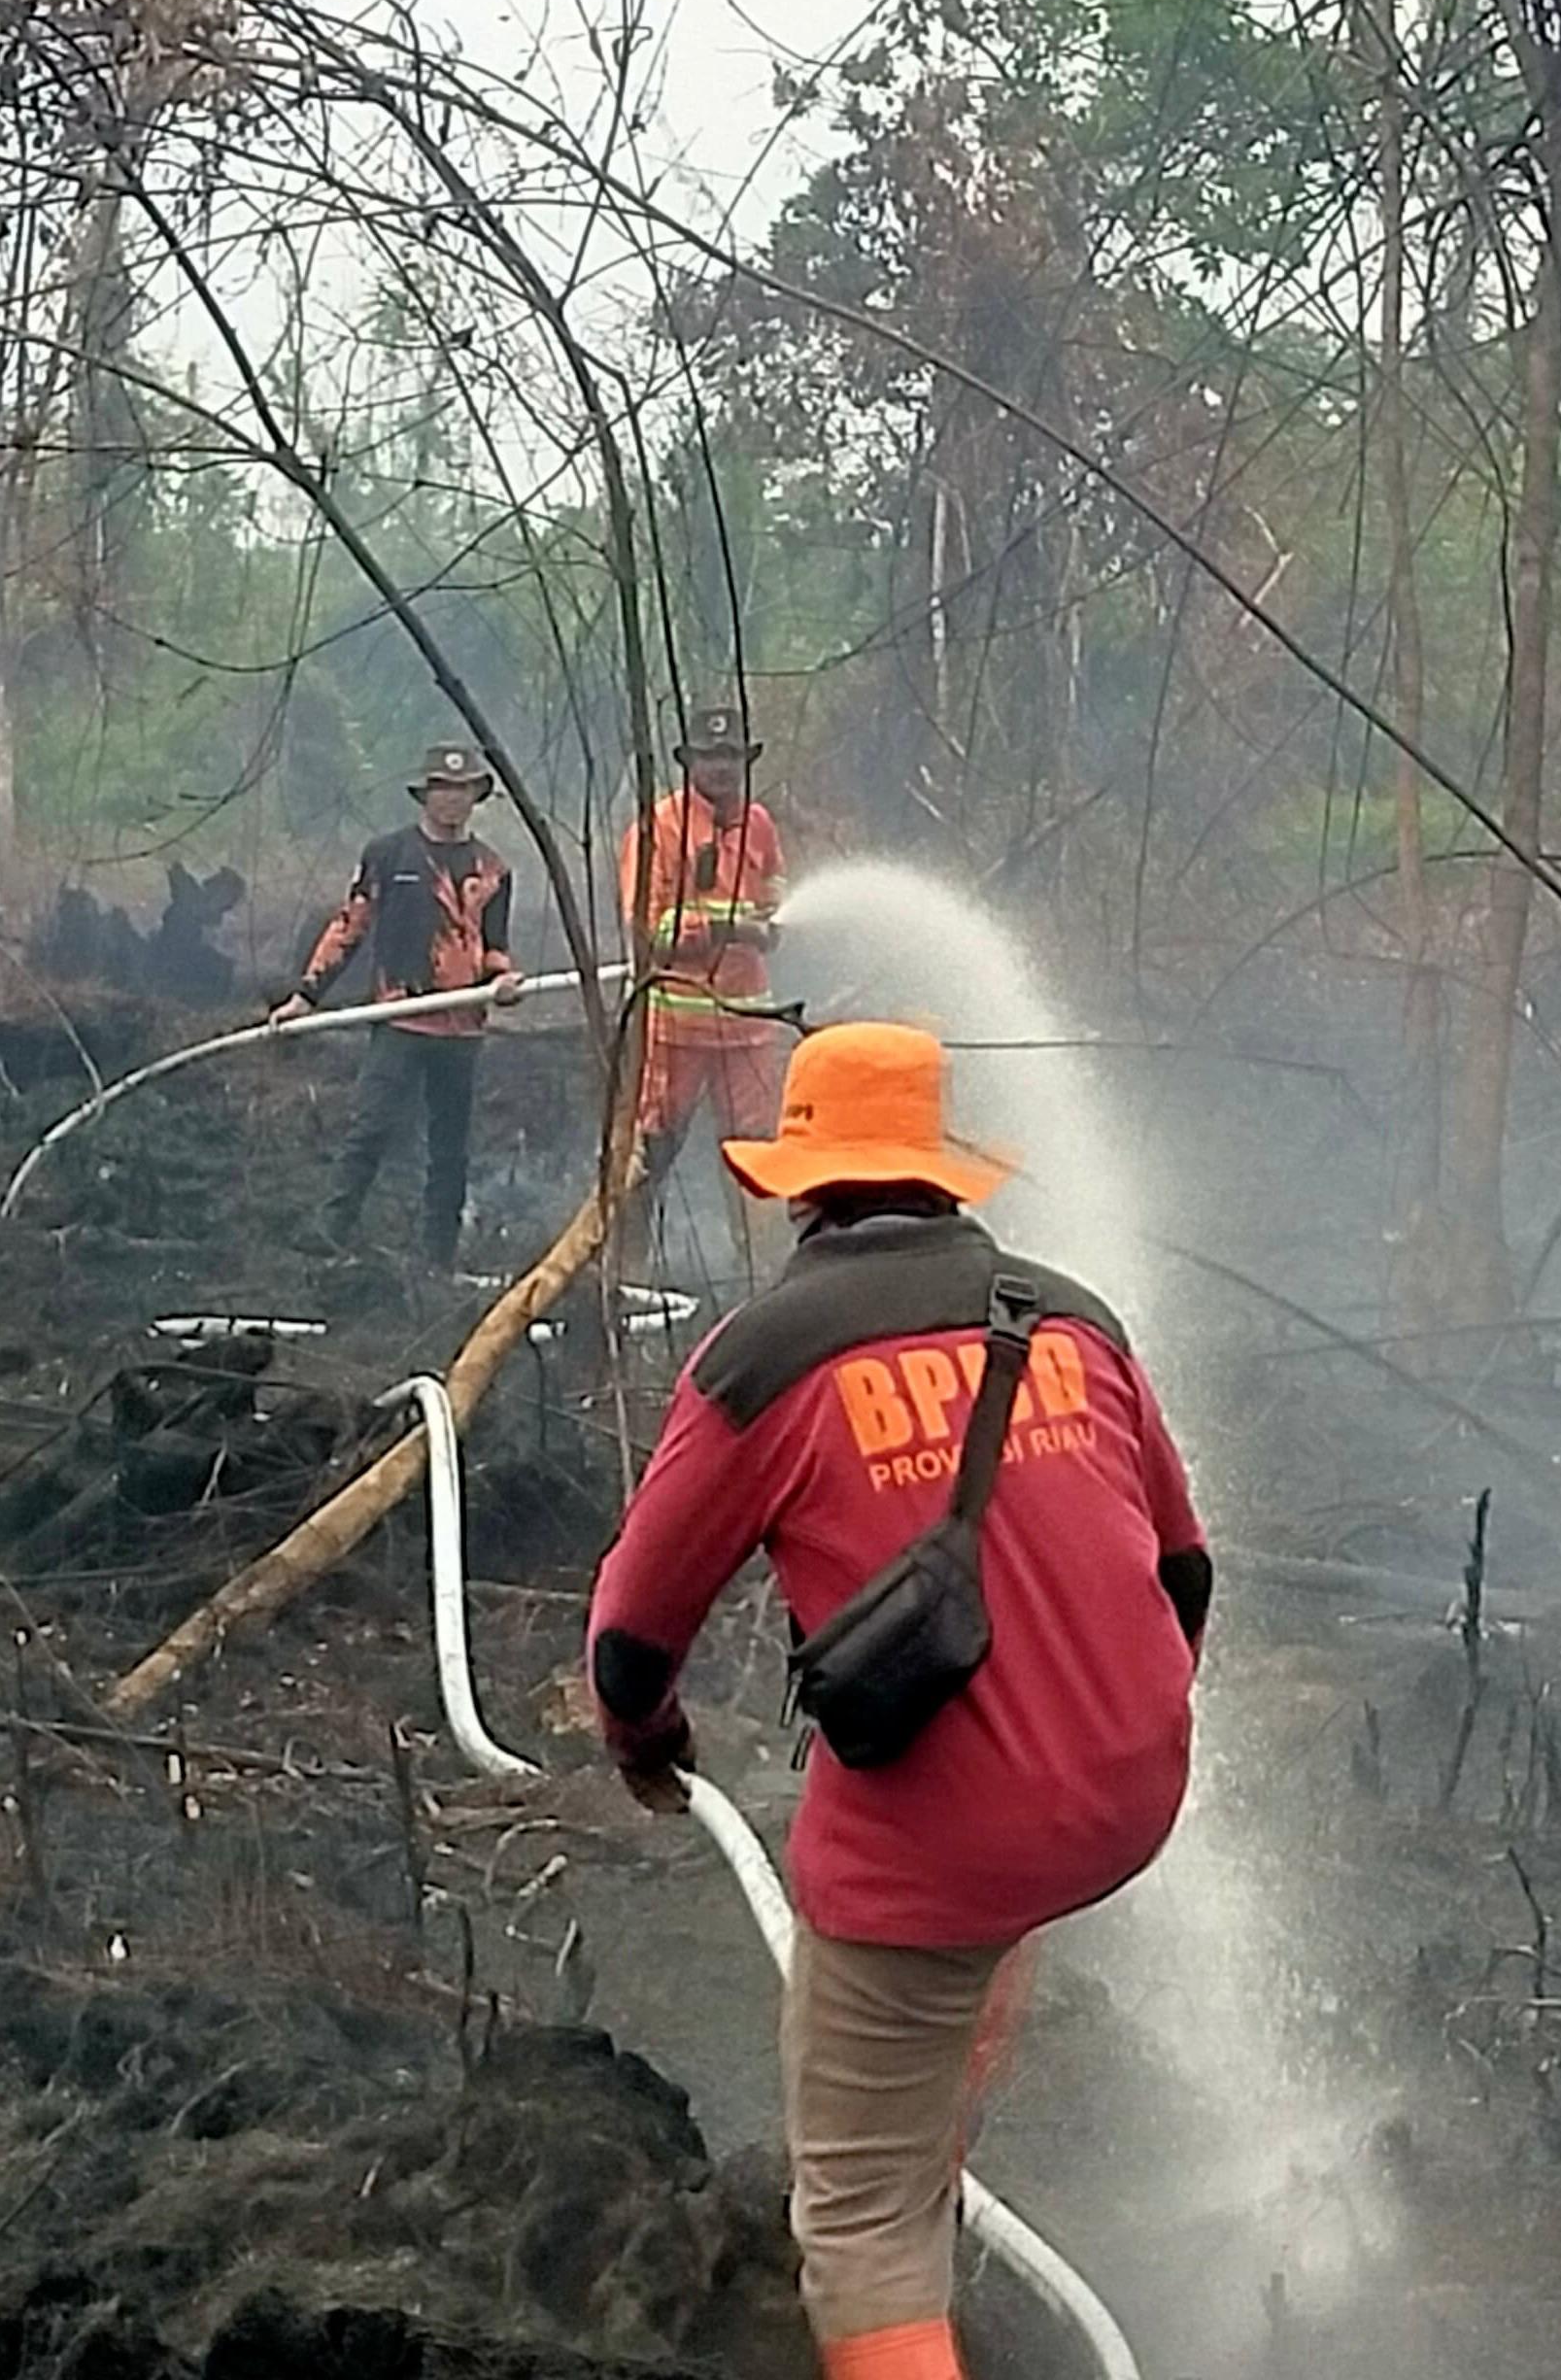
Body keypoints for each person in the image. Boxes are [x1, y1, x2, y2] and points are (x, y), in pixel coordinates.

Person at [581, 1022, 1210, 2380]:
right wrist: (1091, 1739)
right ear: (943, 1176)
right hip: (1131, 1792)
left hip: (952, 1851)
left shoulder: (766, 1361)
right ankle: (943, 2114)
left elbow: (631, 1639)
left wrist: (648, 1748)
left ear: (796, 1185)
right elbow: (1184, 1569)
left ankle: (904, 2206)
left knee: (859, 2215)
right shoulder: (1070, 1319)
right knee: (984, 1921)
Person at [270, 742, 526, 1271]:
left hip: (462, 1030)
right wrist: (306, 996)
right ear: (426, 795)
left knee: (449, 1148)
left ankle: (438, 1256)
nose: (452, 800)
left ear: (475, 797)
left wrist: (503, 980)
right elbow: (350, 927)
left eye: (462, 790)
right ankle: (330, 1232)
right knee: (370, 1128)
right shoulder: (388, 855)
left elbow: (492, 946)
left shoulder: (494, 869)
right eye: (442, 789)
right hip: (398, 1020)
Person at [619, 705, 791, 1267]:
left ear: (745, 759)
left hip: (747, 1026)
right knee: (651, 1150)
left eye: (731, 755)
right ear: (688, 760)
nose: (721, 767)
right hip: (676, 1027)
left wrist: (773, 921)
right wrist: (724, 927)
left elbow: (775, 893)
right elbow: (648, 928)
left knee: (755, 1157)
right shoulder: (658, 828)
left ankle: (762, 1274)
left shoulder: (759, 824)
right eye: (710, 755)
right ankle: (622, 1269)